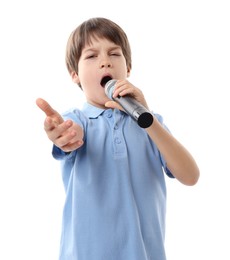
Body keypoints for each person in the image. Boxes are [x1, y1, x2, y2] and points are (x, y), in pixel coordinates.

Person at [36, 17, 200, 260]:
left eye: (114, 54)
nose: (105, 62)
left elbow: (190, 176)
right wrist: (63, 134)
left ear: (128, 69)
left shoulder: (152, 125)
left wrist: (149, 120)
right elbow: (71, 133)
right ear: (75, 75)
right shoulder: (77, 120)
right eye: (91, 56)